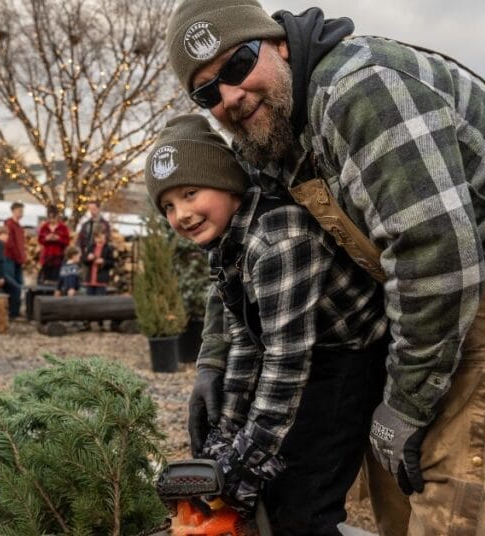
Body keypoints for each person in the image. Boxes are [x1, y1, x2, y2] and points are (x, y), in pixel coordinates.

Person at [166, 2, 485, 533]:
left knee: (458, 480)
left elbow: (437, 258)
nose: (229, 96)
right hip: (409, 268)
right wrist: (212, 361)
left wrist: (407, 407)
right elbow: (237, 262)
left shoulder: (361, 89)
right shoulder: (265, 136)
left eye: (236, 65)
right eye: (207, 92)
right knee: (394, 473)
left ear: (276, 44)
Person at [146, 114, 387, 534]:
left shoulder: (278, 239)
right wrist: (227, 431)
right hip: (302, 353)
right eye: (168, 205)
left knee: (305, 503)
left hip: (349, 357)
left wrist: (249, 456)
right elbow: (245, 338)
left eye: (189, 193)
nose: (181, 214)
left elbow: (285, 360)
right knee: (272, 490)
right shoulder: (226, 243)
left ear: (225, 180)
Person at [3, 202, 27, 320]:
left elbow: (21, 243)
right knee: (13, 284)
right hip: (10, 258)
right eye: (19, 211)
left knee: (19, 284)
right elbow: (10, 244)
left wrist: (22, 256)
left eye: (22, 211)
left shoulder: (19, 226)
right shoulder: (9, 224)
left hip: (18, 259)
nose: (20, 213)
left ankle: (15, 310)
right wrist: (18, 256)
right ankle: (12, 312)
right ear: (13, 211)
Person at [37, 206, 70, 284]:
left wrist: (58, 239)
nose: (52, 220)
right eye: (50, 218)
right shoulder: (44, 227)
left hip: (58, 257)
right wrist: (46, 239)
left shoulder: (63, 227)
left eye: (54, 218)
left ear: (57, 217)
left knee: (56, 280)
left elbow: (67, 241)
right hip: (46, 257)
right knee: (46, 280)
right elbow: (40, 240)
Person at [81, 226, 113, 296]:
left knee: (100, 302)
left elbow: (112, 263)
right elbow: (83, 260)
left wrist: (103, 261)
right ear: (95, 238)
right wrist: (88, 258)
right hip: (90, 280)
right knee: (89, 302)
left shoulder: (108, 249)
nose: (101, 240)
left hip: (101, 280)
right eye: (98, 238)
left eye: (103, 238)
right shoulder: (91, 247)